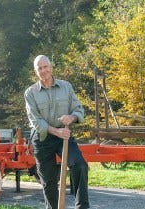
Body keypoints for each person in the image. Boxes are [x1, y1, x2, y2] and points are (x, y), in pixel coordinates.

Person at [24, 55, 89, 209]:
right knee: (48, 181)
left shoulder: (66, 87)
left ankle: (82, 206)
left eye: (45, 67)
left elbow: (78, 109)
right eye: (39, 68)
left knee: (80, 165)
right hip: (42, 138)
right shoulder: (30, 92)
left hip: (64, 137)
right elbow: (35, 121)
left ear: (51, 67)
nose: (43, 70)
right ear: (36, 72)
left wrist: (71, 117)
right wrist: (56, 131)